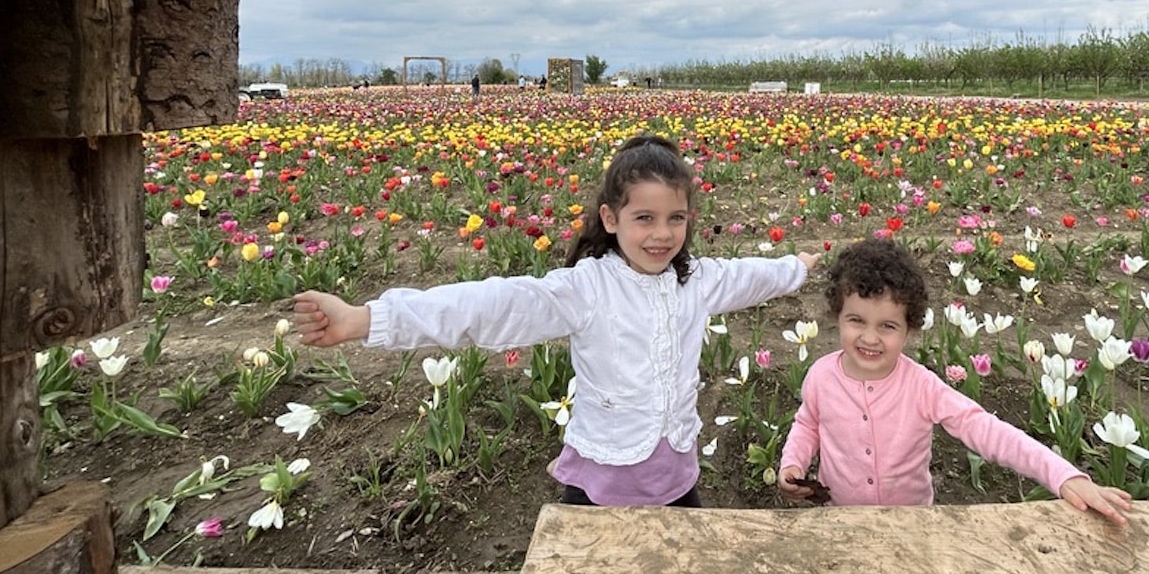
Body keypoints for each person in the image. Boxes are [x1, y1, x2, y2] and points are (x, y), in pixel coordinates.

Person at [293, 134, 820, 508]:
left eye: (675, 218)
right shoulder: (585, 287)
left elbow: (752, 276)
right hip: (604, 474)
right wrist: (368, 318)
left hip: (674, 470)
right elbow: (489, 306)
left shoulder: (696, 279)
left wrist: (796, 267)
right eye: (644, 218)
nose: (662, 234)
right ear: (611, 220)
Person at [777, 239, 1132, 524]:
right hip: (841, 522)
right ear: (837, 316)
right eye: (856, 320)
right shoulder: (821, 376)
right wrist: (793, 464)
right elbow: (809, 424)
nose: (870, 338)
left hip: (915, 526)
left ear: (910, 330)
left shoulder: (922, 387)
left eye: (887, 326)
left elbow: (987, 430)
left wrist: (1064, 476)